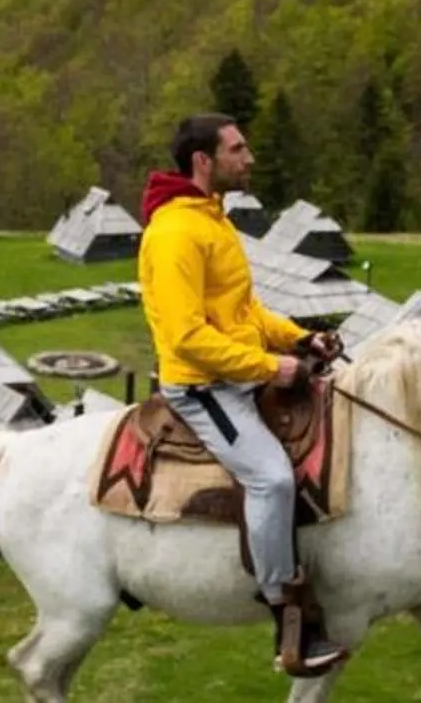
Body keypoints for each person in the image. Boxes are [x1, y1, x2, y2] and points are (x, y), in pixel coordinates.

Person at [139, 112, 347, 680]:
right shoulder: (177, 233)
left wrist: (300, 337)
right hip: (204, 387)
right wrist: (269, 367)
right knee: (272, 478)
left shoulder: (212, 220)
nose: (249, 158)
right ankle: (287, 614)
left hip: (242, 373)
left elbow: (244, 311)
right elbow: (185, 336)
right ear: (203, 161)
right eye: (238, 149)